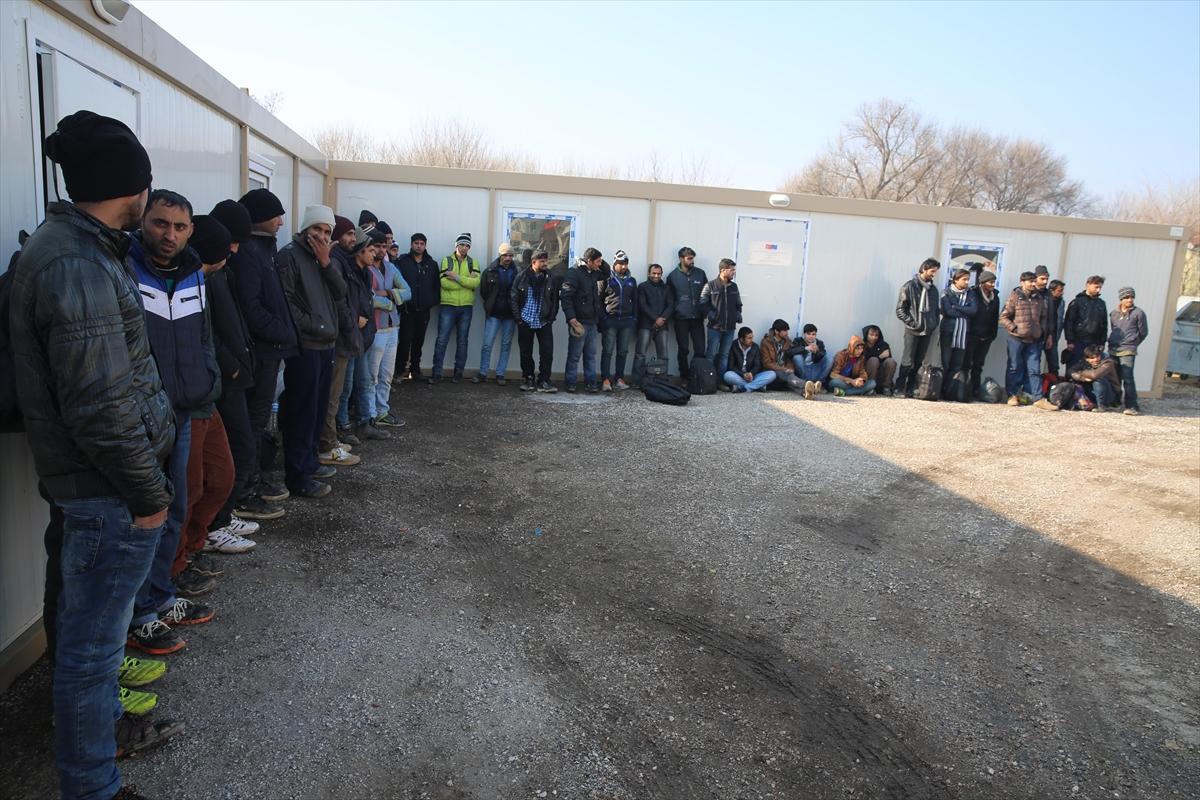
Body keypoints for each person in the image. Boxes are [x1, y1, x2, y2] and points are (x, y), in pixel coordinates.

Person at [9, 110, 182, 800]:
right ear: (130, 185)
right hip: (108, 494)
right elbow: (101, 408)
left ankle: (106, 737)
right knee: (90, 652)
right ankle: (93, 787)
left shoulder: (79, 248)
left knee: (94, 644)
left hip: (102, 488)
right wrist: (148, 497)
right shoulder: (77, 263)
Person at [126, 189, 221, 657]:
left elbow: (204, 337)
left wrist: (207, 385)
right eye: (161, 223)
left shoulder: (193, 274)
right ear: (144, 221)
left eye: (180, 227)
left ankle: (160, 596)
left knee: (177, 508)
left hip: (184, 411)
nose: (170, 235)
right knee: (144, 516)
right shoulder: (125, 267)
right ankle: (139, 614)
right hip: (141, 418)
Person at [176, 216, 253, 582]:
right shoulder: (181, 283)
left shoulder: (207, 280)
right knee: (186, 493)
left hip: (208, 396)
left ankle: (194, 545)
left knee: (221, 478)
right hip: (185, 405)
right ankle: (176, 568)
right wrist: (229, 367)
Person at [207, 198, 284, 525]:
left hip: (248, 360)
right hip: (236, 370)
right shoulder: (216, 272)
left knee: (250, 428)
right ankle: (236, 501)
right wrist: (234, 363)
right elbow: (214, 327)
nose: (281, 220)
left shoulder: (230, 266)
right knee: (241, 436)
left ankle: (242, 491)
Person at [230, 188, 297, 508]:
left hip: (270, 351)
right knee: (252, 424)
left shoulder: (264, 250)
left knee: (258, 421)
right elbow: (251, 307)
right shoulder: (248, 254)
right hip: (261, 353)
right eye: (276, 215)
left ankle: (255, 479)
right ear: (258, 218)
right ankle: (246, 492)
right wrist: (284, 332)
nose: (282, 221)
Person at [277, 205, 346, 497]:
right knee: (302, 412)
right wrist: (314, 326)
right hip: (305, 346)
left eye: (327, 231)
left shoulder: (324, 259)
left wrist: (326, 262)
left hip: (326, 345)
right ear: (305, 228)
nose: (320, 235)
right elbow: (286, 302)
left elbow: (341, 292)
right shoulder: (290, 256)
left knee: (317, 411)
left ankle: (309, 461)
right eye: (316, 229)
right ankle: (298, 475)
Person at [368, 233, 411, 425]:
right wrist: (390, 303)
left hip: (393, 327)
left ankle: (382, 411)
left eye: (384, 246)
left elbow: (408, 291)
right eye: (377, 246)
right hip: (375, 328)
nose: (381, 250)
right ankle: (369, 415)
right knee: (371, 375)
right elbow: (366, 298)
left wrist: (385, 294)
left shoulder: (391, 267)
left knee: (386, 375)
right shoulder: (365, 268)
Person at [432, 233, 480, 383]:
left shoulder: (474, 262)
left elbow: (475, 284)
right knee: (442, 340)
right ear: (456, 245)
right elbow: (444, 283)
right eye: (462, 244)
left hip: (466, 307)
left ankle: (458, 373)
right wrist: (466, 281)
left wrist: (456, 277)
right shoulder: (447, 260)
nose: (464, 248)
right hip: (448, 306)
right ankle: (436, 373)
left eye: (467, 245)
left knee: (462, 341)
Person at [512, 249, 561, 392]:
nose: (545, 264)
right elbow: (513, 298)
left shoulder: (551, 277)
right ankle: (528, 378)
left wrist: (551, 317)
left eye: (546, 261)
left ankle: (544, 381)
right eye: (542, 261)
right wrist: (518, 318)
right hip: (525, 320)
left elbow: (555, 300)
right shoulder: (521, 277)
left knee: (547, 352)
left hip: (543, 321)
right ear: (534, 262)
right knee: (525, 352)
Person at [1000, 270, 1049, 405]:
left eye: (1034, 281)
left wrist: (1041, 331)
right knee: (1014, 367)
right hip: (1016, 339)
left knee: (1034, 369)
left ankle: (1038, 398)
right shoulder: (1015, 296)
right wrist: (1015, 328)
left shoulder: (1039, 298)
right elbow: (1003, 317)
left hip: (1033, 340)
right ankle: (1011, 395)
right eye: (1030, 281)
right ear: (1022, 282)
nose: (1033, 284)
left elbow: (1044, 317)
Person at [895, 258, 941, 397]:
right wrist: (914, 323)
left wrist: (933, 324)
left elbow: (936, 310)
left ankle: (910, 389)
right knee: (907, 360)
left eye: (935, 272)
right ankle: (899, 388)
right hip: (913, 330)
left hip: (927, 331)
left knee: (919, 361)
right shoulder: (909, 286)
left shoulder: (933, 290)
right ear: (924, 269)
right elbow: (900, 310)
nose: (934, 275)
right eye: (932, 271)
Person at [560, 247, 605, 392]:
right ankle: (570, 382)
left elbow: (607, 273)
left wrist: (601, 263)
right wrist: (571, 318)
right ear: (589, 261)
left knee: (590, 355)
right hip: (578, 321)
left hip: (592, 321)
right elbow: (566, 297)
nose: (600, 264)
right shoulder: (573, 273)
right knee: (574, 355)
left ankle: (591, 382)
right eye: (598, 262)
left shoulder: (594, 273)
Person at [397, 232, 439, 382]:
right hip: (408, 310)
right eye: (416, 243)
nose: (419, 246)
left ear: (425, 246)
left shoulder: (432, 264)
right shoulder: (403, 261)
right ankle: (400, 370)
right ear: (411, 244)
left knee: (419, 341)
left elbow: (436, 286)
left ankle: (415, 370)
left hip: (424, 311)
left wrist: (430, 301)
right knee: (404, 341)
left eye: (422, 244)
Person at [475, 242, 519, 384]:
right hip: (494, 313)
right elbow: (484, 291)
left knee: (506, 345)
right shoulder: (490, 271)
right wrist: (490, 305)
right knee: (487, 344)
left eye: (511, 255)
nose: (508, 258)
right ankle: (483, 372)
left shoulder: (517, 272)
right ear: (500, 255)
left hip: (510, 315)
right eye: (506, 255)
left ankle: (500, 374)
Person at [666, 246, 708, 382]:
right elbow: (669, 299)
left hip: (697, 318)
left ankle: (698, 376)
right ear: (681, 259)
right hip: (681, 319)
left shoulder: (700, 273)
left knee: (700, 349)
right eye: (689, 259)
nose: (692, 261)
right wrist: (674, 313)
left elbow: (707, 294)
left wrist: (705, 311)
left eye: (693, 258)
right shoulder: (672, 276)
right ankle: (685, 377)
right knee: (683, 349)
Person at [601, 250, 639, 390]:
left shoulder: (631, 280)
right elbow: (599, 299)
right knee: (608, 351)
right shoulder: (607, 279)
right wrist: (603, 317)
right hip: (610, 320)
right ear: (615, 264)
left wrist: (633, 318)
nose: (624, 266)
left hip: (626, 321)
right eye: (621, 264)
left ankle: (619, 379)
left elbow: (635, 301)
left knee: (622, 351)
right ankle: (605, 379)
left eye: (626, 264)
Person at [1108, 286, 1148, 416]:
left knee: (1128, 377)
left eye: (1131, 297)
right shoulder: (1113, 314)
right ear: (1121, 299)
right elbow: (1113, 329)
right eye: (1126, 297)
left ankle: (1132, 405)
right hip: (1114, 349)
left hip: (1128, 350)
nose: (1129, 300)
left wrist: (1133, 343)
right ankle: (1115, 401)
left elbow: (1143, 332)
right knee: (1115, 377)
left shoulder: (1138, 313)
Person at [939, 268, 978, 398]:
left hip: (963, 333)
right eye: (964, 279)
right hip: (948, 331)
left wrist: (957, 307)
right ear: (956, 280)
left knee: (957, 364)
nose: (967, 282)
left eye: (968, 279)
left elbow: (973, 311)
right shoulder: (947, 292)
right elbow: (948, 312)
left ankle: (949, 392)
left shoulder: (971, 293)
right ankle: (939, 390)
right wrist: (964, 311)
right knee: (945, 362)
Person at [700, 258, 742, 377]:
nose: (734, 272)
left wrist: (738, 314)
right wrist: (710, 315)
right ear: (723, 270)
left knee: (724, 355)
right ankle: (708, 380)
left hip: (730, 328)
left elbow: (738, 303)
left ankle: (720, 381)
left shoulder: (734, 287)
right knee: (711, 355)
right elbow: (702, 303)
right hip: (714, 327)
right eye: (732, 270)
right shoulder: (710, 285)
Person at [633, 262, 672, 382]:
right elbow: (642, 305)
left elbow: (671, 305)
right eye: (654, 273)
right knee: (640, 354)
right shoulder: (642, 287)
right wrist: (656, 318)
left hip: (663, 325)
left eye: (659, 274)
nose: (656, 276)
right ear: (649, 274)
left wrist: (662, 318)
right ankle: (637, 380)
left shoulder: (667, 288)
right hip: (645, 324)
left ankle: (662, 379)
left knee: (663, 355)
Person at [965, 269, 1000, 400]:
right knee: (967, 363)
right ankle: (964, 388)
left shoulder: (995, 297)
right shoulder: (973, 293)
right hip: (972, 335)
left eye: (994, 282)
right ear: (982, 282)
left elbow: (995, 317)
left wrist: (993, 334)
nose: (992, 285)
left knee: (978, 364)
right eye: (990, 282)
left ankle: (975, 389)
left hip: (986, 336)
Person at [1063, 275, 1108, 375]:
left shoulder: (1101, 303)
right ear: (1088, 285)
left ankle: (1088, 390)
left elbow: (1104, 324)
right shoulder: (1077, 302)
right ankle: (1071, 389)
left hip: (1094, 342)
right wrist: (1070, 340)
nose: (1098, 289)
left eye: (1100, 287)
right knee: (1074, 367)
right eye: (1096, 286)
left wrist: (1102, 342)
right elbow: (1069, 322)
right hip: (1079, 341)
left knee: (1092, 369)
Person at [759, 319, 809, 396]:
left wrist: (790, 368)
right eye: (784, 331)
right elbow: (767, 363)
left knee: (789, 382)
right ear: (776, 331)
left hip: (785, 372)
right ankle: (806, 385)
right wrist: (784, 369)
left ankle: (806, 392)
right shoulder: (766, 342)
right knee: (787, 375)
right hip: (772, 371)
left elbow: (789, 358)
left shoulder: (787, 341)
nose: (787, 333)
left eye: (787, 330)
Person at [1069, 344, 1122, 411]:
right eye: (1092, 358)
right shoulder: (1083, 362)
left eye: (1097, 356)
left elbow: (1095, 375)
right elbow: (1070, 371)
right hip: (1095, 392)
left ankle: (1101, 406)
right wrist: (1080, 377)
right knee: (1075, 381)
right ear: (1087, 359)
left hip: (1110, 394)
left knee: (1098, 380)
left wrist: (1081, 372)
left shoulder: (1108, 362)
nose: (1096, 359)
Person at [724, 327, 776, 392]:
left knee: (772, 374)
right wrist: (743, 374)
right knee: (727, 375)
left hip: (753, 376)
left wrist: (751, 373)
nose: (752, 340)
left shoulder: (755, 347)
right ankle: (757, 386)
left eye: (752, 337)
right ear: (741, 339)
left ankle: (743, 388)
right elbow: (731, 367)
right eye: (749, 338)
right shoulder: (733, 346)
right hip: (740, 376)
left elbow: (758, 365)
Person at [790, 323, 831, 391]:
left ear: (815, 335)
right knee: (797, 357)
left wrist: (817, 351)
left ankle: (819, 384)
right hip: (803, 369)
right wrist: (806, 348)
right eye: (808, 334)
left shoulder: (819, 343)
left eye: (813, 334)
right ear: (804, 334)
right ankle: (806, 384)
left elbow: (823, 354)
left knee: (830, 358)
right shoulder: (798, 340)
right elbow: (790, 352)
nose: (811, 336)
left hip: (815, 369)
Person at [860, 324, 897, 395]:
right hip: (867, 374)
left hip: (880, 374)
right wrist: (879, 356)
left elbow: (888, 361)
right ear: (866, 335)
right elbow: (862, 360)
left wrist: (882, 357)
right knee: (873, 360)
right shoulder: (862, 345)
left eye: (876, 335)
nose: (874, 337)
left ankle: (886, 387)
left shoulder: (883, 344)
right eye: (871, 335)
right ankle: (870, 387)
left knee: (891, 361)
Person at [1045, 279, 1067, 374]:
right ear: (1051, 290)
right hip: (1042, 335)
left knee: (1054, 364)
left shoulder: (1061, 302)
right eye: (1059, 290)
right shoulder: (1044, 300)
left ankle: (1054, 385)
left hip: (1054, 337)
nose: (1062, 293)